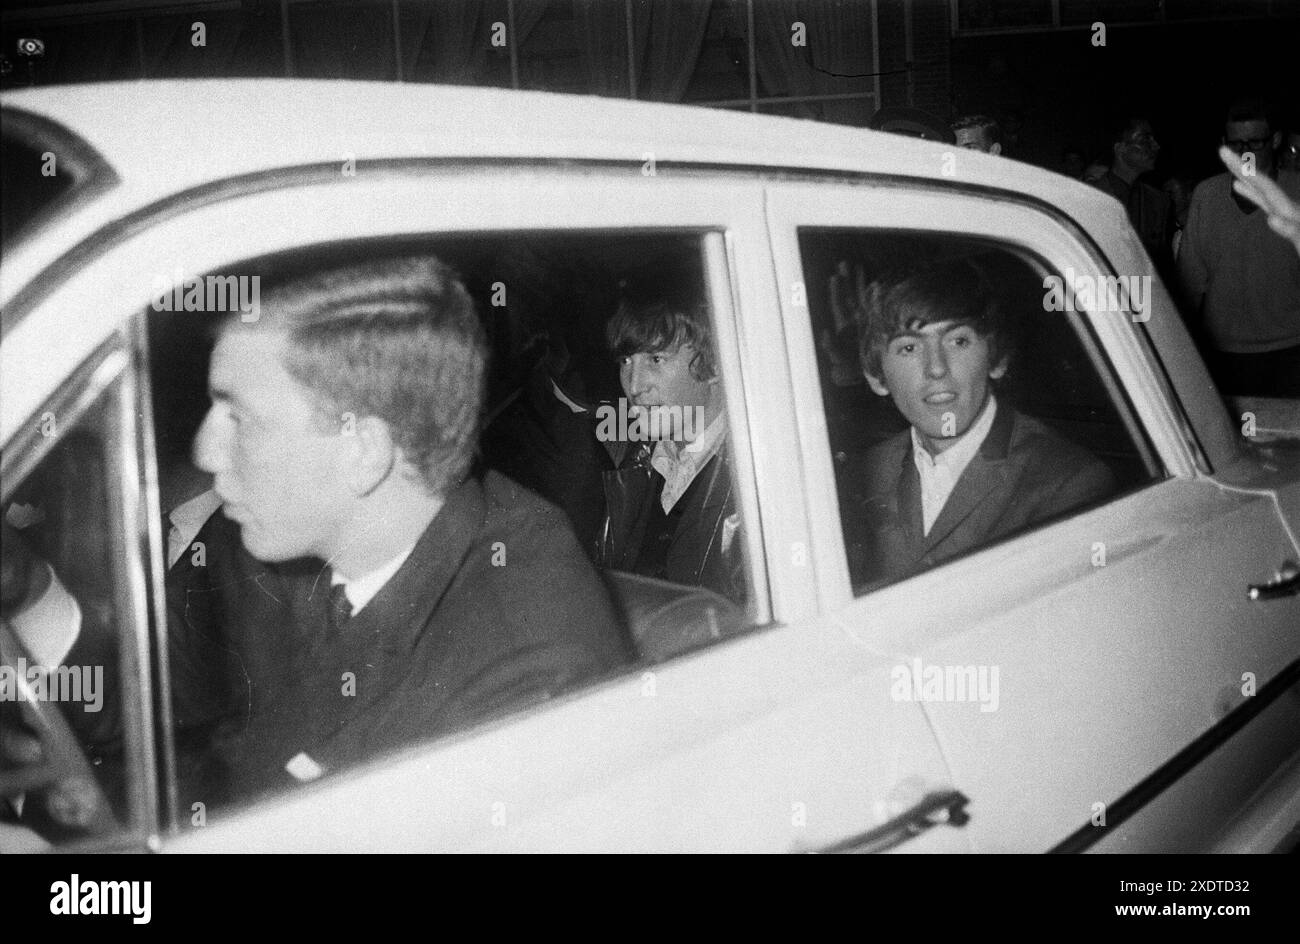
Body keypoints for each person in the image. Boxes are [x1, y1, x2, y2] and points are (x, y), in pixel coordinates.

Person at [166, 255, 631, 803]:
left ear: (363, 453)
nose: (204, 450)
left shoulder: (531, 668)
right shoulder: (265, 538)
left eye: (240, 418)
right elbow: (151, 683)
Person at [844, 259, 1114, 586]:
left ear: (996, 359)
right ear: (876, 376)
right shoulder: (861, 476)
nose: (936, 368)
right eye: (909, 347)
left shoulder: (1068, 484)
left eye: (958, 340)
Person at [597, 295, 745, 604]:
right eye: (625, 361)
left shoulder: (755, 480)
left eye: (655, 359)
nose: (634, 386)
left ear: (716, 363)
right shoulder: (629, 465)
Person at [1179, 99, 1300, 397]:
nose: (1245, 152)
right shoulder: (1207, 195)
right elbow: (1190, 280)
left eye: (1255, 142)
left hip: (1291, 349)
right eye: (1236, 144)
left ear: (1275, 140)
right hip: (1224, 353)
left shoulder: (1297, 191)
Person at [1091, 118, 1174, 275]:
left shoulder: (1159, 202)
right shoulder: (1088, 199)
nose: (1156, 146)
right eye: (1145, 139)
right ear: (1120, 148)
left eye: (1153, 139)